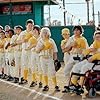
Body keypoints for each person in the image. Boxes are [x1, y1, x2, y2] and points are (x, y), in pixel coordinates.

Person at [62, 25, 89, 92]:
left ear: (80, 31)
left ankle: (76, 85)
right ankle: (70, 84)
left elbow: (87, 50)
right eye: (75, 30)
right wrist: (71, 45)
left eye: (77, 30)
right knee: (66, 70)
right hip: (72, 56)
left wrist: (82, 52)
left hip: (80, 56)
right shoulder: (71, 38)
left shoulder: (83, 39)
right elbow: (64, 50)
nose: (76, 31)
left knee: (76, 72)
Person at [36, 27, 60, 91]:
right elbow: (37, 51)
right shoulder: (40, 41)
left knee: (52, 72)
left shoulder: (51, 40)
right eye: (43, 32)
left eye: (46, 32)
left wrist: (56, 60)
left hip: (50, 58)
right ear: (41, 33)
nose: (45, 34)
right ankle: (46, 85)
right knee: (44, 72)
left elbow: (55, 51)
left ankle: (56, 85)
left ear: (48, 33)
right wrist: (41, 47)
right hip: (42, 58)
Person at [16, 19, 34, 84]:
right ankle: (25, 79)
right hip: (24, 51)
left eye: (32, 26)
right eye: (29, 25)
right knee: (24, 64)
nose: (30, 27)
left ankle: (34, 80)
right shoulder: (23, 33)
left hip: (32, 51)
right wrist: (23, 40)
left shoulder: (34, 32)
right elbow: (17, 41)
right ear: (26, 25)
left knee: (33, 65)